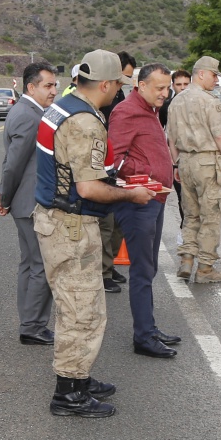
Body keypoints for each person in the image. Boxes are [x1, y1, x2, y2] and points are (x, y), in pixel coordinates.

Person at [34, 49, 154, 417]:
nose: (119, 90)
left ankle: (79, 378)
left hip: (56, 218)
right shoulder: (86, 121)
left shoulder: (62, 106)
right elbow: (88, 188)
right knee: (80, 311)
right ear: (105, 83)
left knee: (79, 305)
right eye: (118, 84)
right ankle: (69, 392)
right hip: (71, 224)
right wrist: (132, 194)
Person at [109, 63, 183, 359]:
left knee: (148, 269)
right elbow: (114, 159)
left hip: (155, 198)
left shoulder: (150, 108)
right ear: (141, 86)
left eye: (167, 88)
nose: (166, 93)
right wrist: (143, 176)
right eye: (160, 88)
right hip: (139, 202)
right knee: (141, 271)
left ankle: (148, 328)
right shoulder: (127, 111)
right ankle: (143, 336)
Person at [0, 61, 58, 346]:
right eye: (48, 85)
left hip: (24, 200)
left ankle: (29, 322)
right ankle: (32, 326)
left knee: (29, 263)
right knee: (40, 266)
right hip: (30, 202)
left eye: (54, 85)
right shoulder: (29, 115)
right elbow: (14, 164)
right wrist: (5, 197)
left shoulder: (30, 111)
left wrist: (5, 195)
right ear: (31, 87)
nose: (54, 91)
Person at [167, 55, 221, 283]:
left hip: (185, 162)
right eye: (214, 75)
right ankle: (205, 268)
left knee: (190, 214)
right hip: (207, 162)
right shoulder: (209, 101)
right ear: (201, 74)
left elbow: (171, 139)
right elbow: (219, 135)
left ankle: (187, 259)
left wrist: (176, 163)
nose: (216, 80)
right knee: (211, 215)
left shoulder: (176, 101)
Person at [99, 51, 138, 294]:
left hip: (118, 166)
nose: (124, 84)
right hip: (105, 167)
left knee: (117, 225)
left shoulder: (120, 95)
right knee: (106, 224)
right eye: (122, 78)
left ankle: (109, 265)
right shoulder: (100, 103)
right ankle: (102, 272)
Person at [161, 68, 190, 226]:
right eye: (179, 84)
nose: (183, 87)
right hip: (175, 159)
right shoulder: (166, 107)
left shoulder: (197, 104)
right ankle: (184, 228)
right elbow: (161, 130)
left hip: (194, 158)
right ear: (173, 86)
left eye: (186, 83)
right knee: (182, 197)